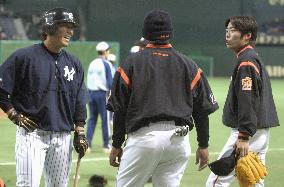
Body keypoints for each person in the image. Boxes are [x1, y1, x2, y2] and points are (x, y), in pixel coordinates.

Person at [107, 10, 219, 187]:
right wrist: (203, 145)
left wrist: (116, 144)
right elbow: (201, 111)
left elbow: (120, 108)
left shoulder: (131, 63)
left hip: (145, 139)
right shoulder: (189, 64)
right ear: (170, 33)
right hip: (178, 142)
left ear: (145, 34)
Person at [0, 7, 88, 187]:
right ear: (50, 27)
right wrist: (13, 114)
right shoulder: (24, 57)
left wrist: (80, 131)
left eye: (72, 27)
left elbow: (79, 100)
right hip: (32, 135)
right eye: (66, 26)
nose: (71, 31)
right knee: (28, 185)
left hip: (63, 136)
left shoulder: (74, 63)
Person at [206, 16, 279, 187]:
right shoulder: (250, 58)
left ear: (247, 36)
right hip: (259, 131)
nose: (227, 35)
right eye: (226, 31)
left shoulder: (246, 61)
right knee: (254, 182)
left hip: (248, 133)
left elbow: (248, 100)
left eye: (232, 31)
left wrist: (244, 136)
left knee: (217, 181)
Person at [86, 41, 113, 153]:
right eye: (108, 51)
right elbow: (110, 82)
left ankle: (88, 145)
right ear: (105, 51)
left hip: (91, 93)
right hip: (102, 94)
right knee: (105, 120)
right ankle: (106, 145)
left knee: (92, 119)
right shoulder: (106, 64)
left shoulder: (92, 63)